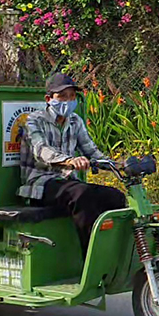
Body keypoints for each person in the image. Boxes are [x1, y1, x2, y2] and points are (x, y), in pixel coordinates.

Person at [17, 72, 127, 250]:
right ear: (48, 99)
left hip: (68, 183)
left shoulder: (75, 121)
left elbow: (91, 150)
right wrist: (69, 160)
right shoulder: (34, 121)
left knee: (115, 196)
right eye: (62, 96)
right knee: (82, 194)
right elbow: (41, 151)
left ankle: (113, 253)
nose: (68, 101)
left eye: (72, 96)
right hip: (41, 185)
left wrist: (120, 166)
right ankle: (90, 255)